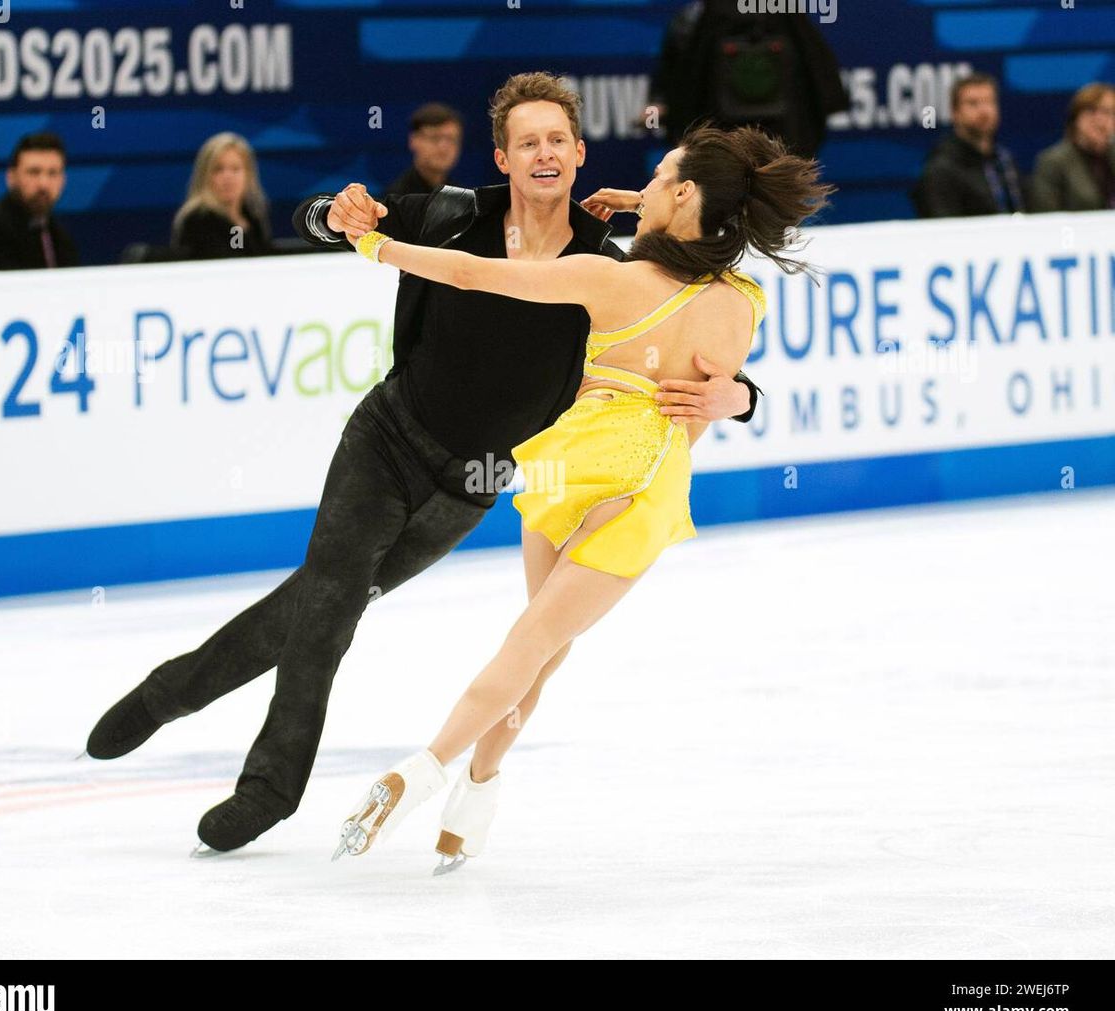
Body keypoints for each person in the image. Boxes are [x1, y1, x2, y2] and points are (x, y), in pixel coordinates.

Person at [85, 73, 764, 855]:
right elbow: (332, 225)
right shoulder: (454, 215)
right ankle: (269, 788)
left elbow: (694, 353)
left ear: (578, 154)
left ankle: (174, 687)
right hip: (387, 441)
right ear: (503, 158)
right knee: (331, 608)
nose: (542, 153)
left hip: (470, 488)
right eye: (525, 142)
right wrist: (334, 215)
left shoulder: (606, 266)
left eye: (556, 140)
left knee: (317, 603)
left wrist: (741, 399)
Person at [332, 122, 832, 870]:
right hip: (641, 485)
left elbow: (471, 274)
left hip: (570, 468)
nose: (649, 183)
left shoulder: (611, 278)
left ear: (686, 194)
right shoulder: (743, 305)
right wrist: (736, 399)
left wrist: (378, 248)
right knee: (536, 648)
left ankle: (473, 781)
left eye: (662, 176)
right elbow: (706, 266)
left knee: (536, 644)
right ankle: (428, 770)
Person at [646, 0, 848, 157]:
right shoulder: (694, 20)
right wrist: (661, 103)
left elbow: (817, 70)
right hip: (722, 137)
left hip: (779, 136)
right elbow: (678, 69)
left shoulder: (787, 15)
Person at [912, 72, 1025, 218]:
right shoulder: (940, 170)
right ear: (955, 112)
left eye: (989, 102)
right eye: (973, 103)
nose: (984, 111)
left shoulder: (1005, 160)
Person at [0, 132, 78, 271]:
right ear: (11, 177)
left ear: (63, 180)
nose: (43, 184)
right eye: (34, 172)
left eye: (53, 173)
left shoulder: (60, 235)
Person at [171, 132, 272, 259]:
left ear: (248, 174)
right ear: (204, 175)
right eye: (218, 169)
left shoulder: (253, 216)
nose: (228, 177)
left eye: (235, 169)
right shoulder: (197, 220)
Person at [1029, 82, 1115, 213]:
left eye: (1108, 112)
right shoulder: (1053, 162)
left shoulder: (1111, 156)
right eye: (1092, 111)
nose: (1101, 121)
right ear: (1076, 118)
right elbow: (1045, 216)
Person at [385, 103, 463, 196]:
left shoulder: (463, 198)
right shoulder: (396, 200)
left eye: (451, 139)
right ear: (414, 140)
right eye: (435, 137)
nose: (443, 147)